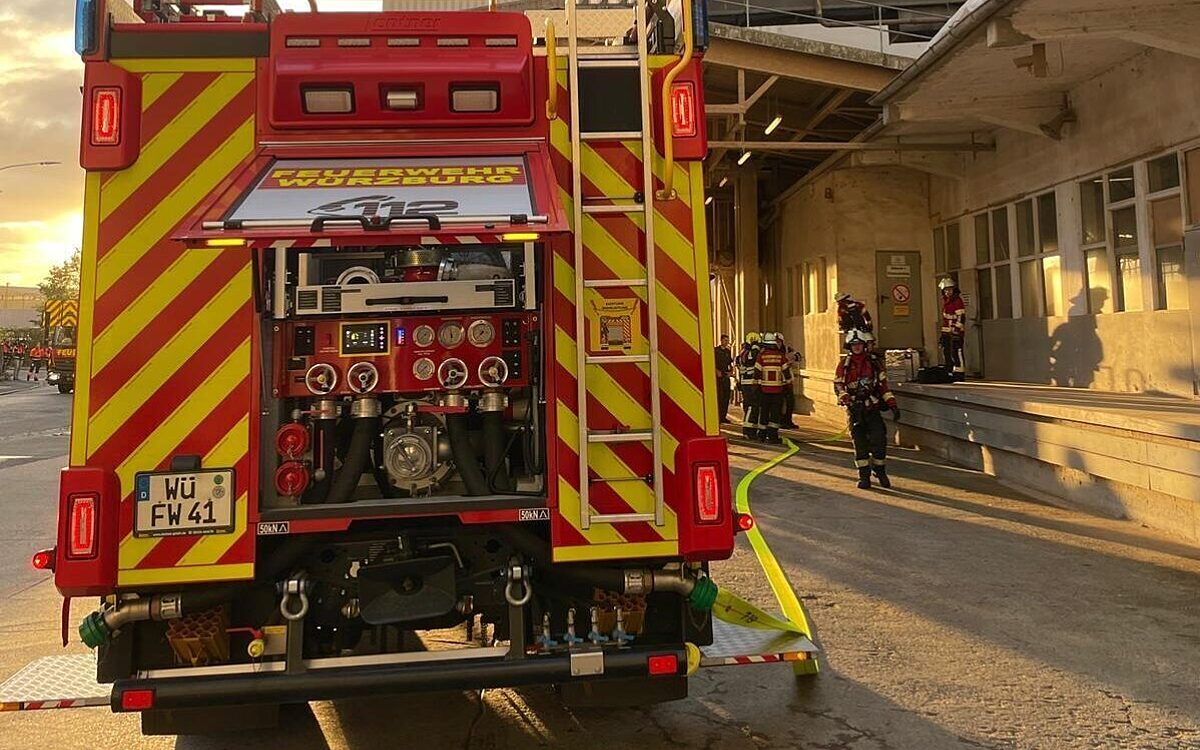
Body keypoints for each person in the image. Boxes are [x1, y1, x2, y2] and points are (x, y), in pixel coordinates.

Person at [834, 329, 899, 489]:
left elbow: (883, 387)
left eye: (859, 344)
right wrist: (847, 400)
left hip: (872, 408)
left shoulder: (874, 363)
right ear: (849, 346)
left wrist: (892, 405)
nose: (856, 347)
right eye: (853, 344)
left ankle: (880, 470)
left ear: (864, 345)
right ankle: (864, 476)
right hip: (855, 411)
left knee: (879, 440)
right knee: (860, 444)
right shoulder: (845, 365)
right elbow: (838, 385)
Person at [754, 333, 791, 444]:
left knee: (764, 412)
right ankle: (773, 436)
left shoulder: (761, 357)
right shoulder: (781, 356)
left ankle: (761, 435)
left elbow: (756, 373)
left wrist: (756, 387)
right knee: (775, 414)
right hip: (777, 391)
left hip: (764, 390)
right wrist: (788, 386)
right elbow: (786, 373)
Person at [938, 277, 966, 382]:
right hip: (947, 332)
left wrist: (957, 330)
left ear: (953, 289)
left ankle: (959, 373)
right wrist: (943, 334)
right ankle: (950, 371)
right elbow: (945, 319)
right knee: (947, 352)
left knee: (957, 352)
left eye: (949, 290)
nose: (947, 292)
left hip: (956, 332)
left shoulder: (957, 301)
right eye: (945, 290)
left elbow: (961, 317)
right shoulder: (946, 301)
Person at [736, 332, 761, 439]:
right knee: (752, 406)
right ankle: (749, 431)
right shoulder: (749, 353)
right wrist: (756, 347)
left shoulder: (742, 352)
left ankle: (750, 430)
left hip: (745, 383)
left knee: (750, 407)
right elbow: (753, 359)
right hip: (750, 383)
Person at [714, 334, 733, 423]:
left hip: (725, 375)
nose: (726, 342)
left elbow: (730, 363)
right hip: (718, 376)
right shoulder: (716, 351)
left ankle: (723, 416)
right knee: (719, 397)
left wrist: (731, 372)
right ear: (721, 341)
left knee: (726, 397)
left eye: (727, 340)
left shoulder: (728, 351)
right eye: (725, 340)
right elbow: (712, 362)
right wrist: (716, 371)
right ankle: (717, 417)